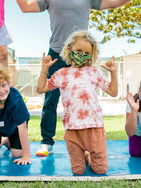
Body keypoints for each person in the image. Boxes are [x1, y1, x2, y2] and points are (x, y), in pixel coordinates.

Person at [10, 0, 135, 156]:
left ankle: (87, 142)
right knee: (50, 100)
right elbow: (25, 7)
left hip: (81, 56)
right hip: (56, 54)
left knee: (85, 97)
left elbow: (113, 3)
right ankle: (47, 142)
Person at [36, 30, 117, 175]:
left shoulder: (94, 72)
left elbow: (113, 92)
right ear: (69, 50)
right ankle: (85, 155)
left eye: (87, 52)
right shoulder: (61, 74)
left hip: (94, 126)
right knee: (78, 171)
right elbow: (41, 89)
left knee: (100, 170)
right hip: (72, 128)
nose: (82, 55)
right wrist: (44, 70)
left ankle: (89, 155)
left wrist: (114, 73)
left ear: (92, 55)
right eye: (78, 50)